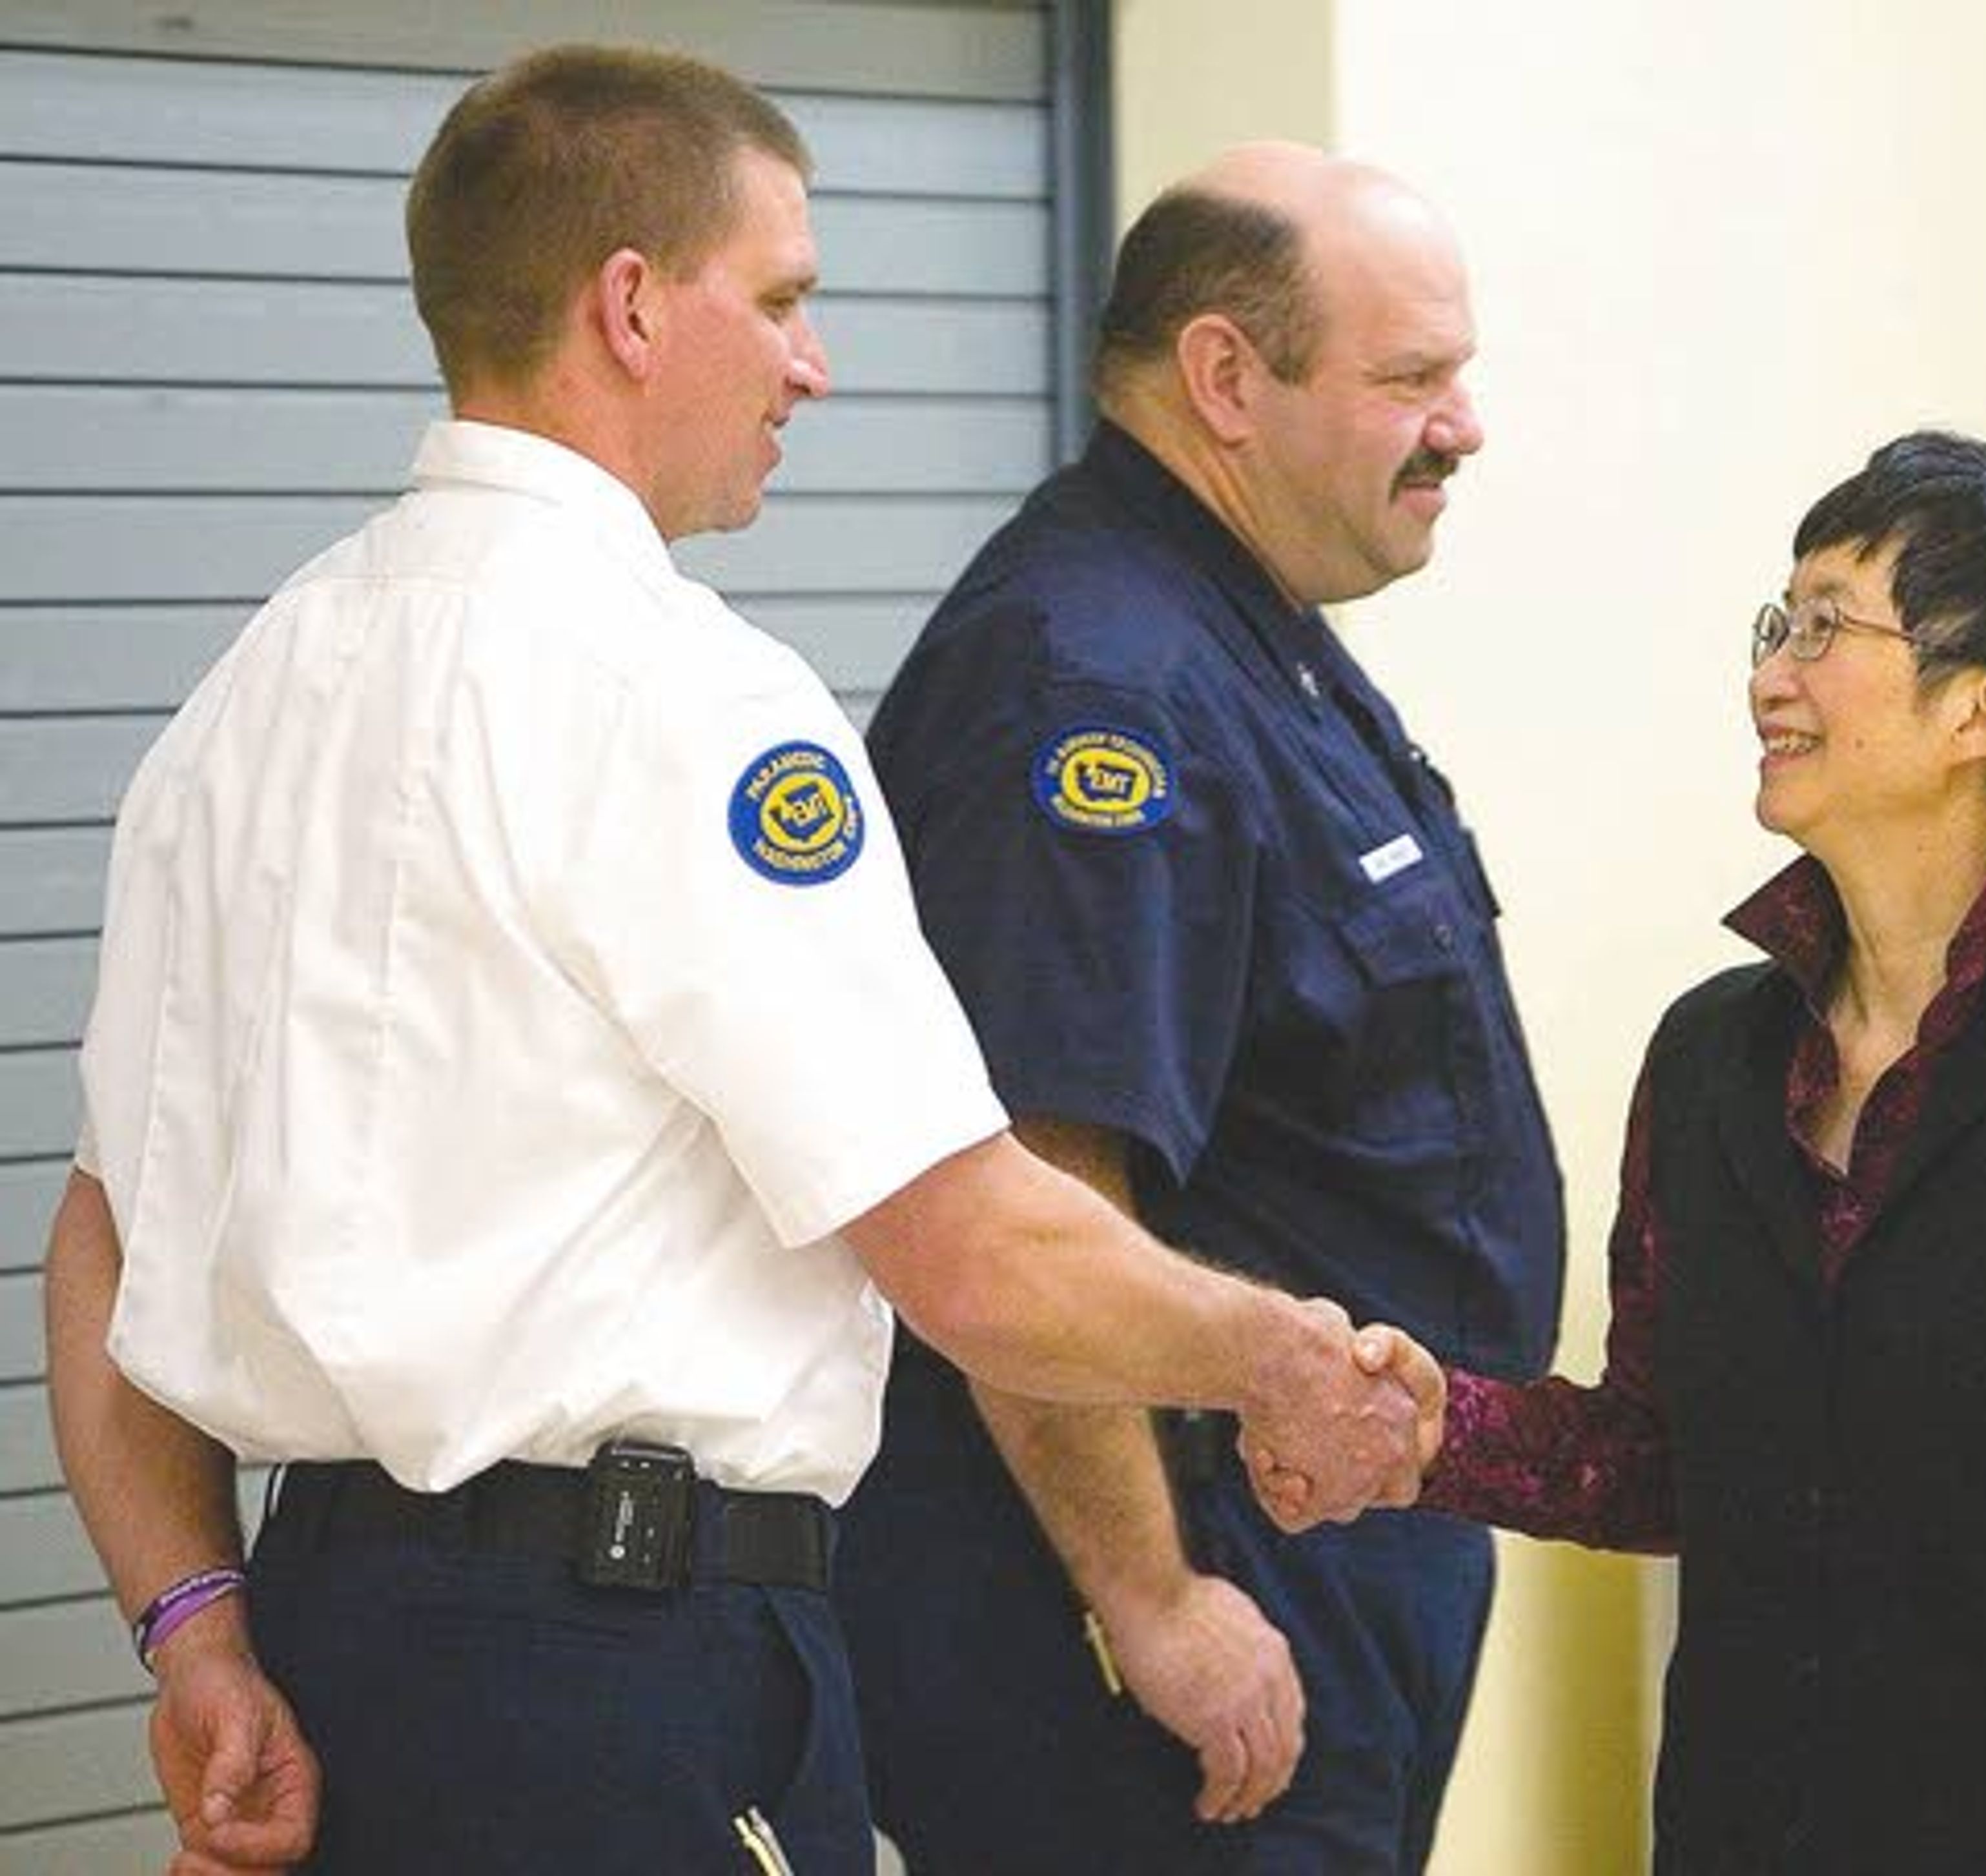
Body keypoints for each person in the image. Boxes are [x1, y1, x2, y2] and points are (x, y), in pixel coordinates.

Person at [43, 48, 1442, 1876]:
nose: (813, 362)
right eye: (781, 298)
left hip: (326, 1653)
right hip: (626, 1679)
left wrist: (199, 1636)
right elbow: (966, 1244)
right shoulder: (687, 699)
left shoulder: (240, 706)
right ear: (631, 304)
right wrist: (1276, 1357)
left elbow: (103, 1244)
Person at [1402, 431, 1986, 1872]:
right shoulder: (1708, 1061)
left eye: (1828, 625)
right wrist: (1429, 1429)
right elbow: (1673, 1462)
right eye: (1776, 622)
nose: (1769, 674)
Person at [834, 143, 1565, 1873]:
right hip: (1180, 1597)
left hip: (1337, 1552)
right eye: (1412, 379)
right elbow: (1028, 1198)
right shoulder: (1098, 678)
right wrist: (1153, 1599)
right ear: (1227, 378)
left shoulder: (1252, 630)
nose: (1463, 426)